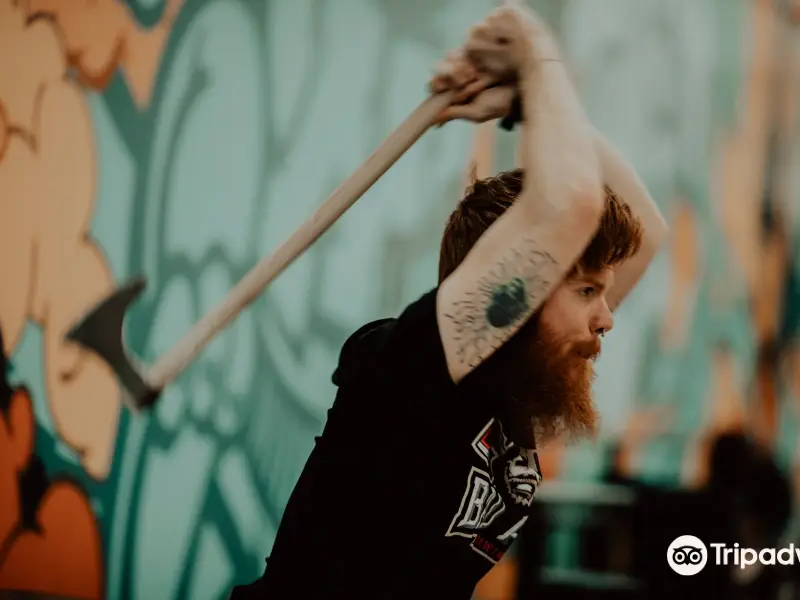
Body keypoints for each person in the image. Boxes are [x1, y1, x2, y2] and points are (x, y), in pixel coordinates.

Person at [231, 5, 667, 599]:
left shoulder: (523, 382)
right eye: (587, 291)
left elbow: (648, 229)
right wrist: (535, 54)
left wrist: (519, 102)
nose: (607, 317)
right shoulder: (418, 366)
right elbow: (570, 210)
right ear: (517, 287)